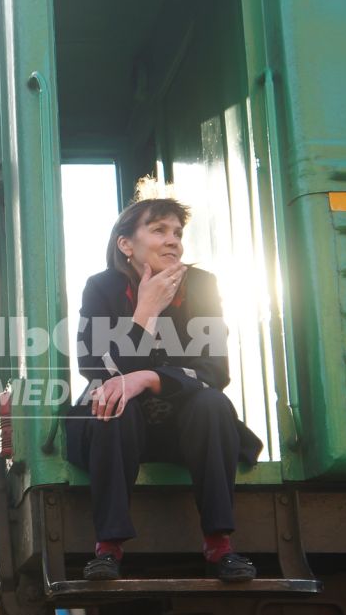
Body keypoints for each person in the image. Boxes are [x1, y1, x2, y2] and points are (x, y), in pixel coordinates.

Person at [68, 194, 263, 583]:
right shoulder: (102, 288)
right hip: (120, 433)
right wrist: (145, 312)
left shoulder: (202, 286)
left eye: (177, 232)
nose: (173, 240)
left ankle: (219, 544)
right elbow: (96, 367)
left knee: (212, 403)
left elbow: (213, 369)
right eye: (159, 230)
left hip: (184, 427)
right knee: (111, 401)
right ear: (126, 244)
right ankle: (108, 548)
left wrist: (149, 377)